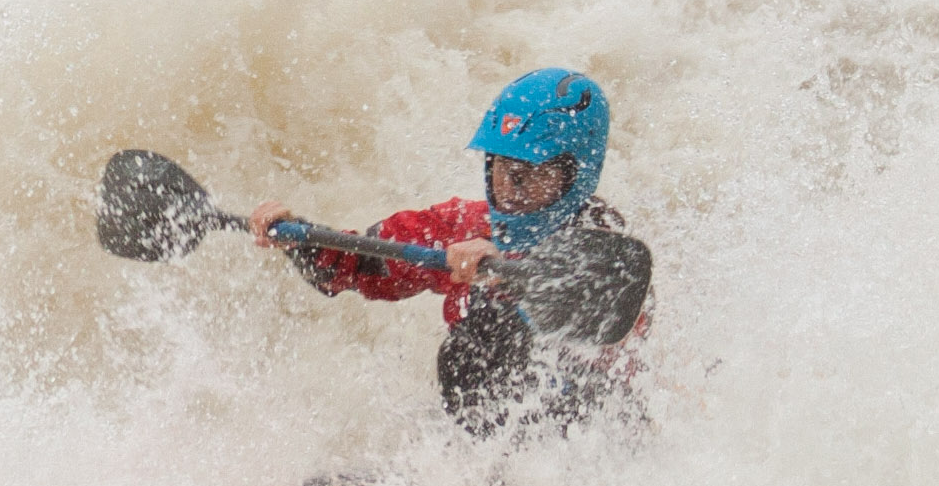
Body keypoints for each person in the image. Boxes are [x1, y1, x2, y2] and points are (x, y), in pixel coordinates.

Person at [248, 67, 649, 437]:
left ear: (575, 175)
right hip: (486, 440)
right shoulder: (464, 226)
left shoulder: (604, 244)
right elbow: (357, 266)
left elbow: (594, 334)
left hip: (587, 432)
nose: (510, 189)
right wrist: (300, 238)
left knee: (486, 331)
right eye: (502, 168)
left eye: (531, 173)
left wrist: (504, 269)